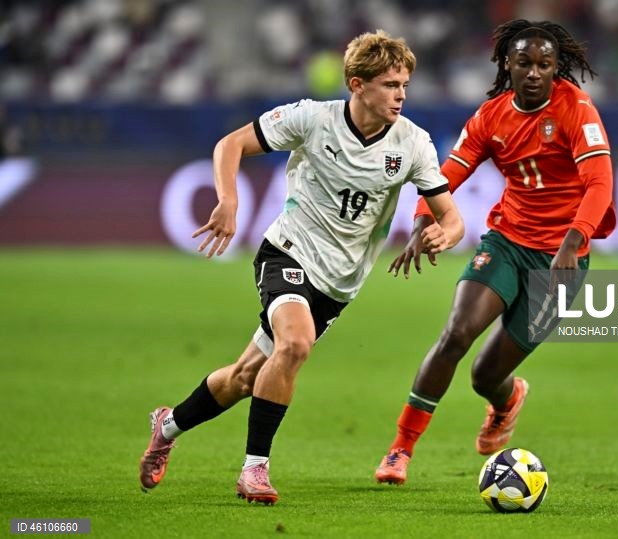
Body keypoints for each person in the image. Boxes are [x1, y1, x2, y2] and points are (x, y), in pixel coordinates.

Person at [139, 29, 464, 505]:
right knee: (295, 343)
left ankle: (166, 427)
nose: (400, 95)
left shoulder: (413, 143)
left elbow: (451, 217)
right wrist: (228, 200)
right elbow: (231, 145)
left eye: (404, 85)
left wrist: (444, 234)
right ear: (357, 84)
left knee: (247, 377)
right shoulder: (312, 118)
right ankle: (254, 471)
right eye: (390, 84)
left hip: (340, 280)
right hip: (289, 250)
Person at [374, 19, 616, 485]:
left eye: (544, 64)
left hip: (563, 260)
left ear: (556, 68)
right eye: (523, 62)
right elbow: (445, 174)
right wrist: (423, 218)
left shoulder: (577, 110)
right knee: (455, 335)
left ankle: (506, 400)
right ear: (508, 64)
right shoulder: (491, 116)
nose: (533, 72)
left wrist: (574, 240)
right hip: (508, 242)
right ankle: (399, 450)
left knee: (485, 376)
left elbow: (600, 183)